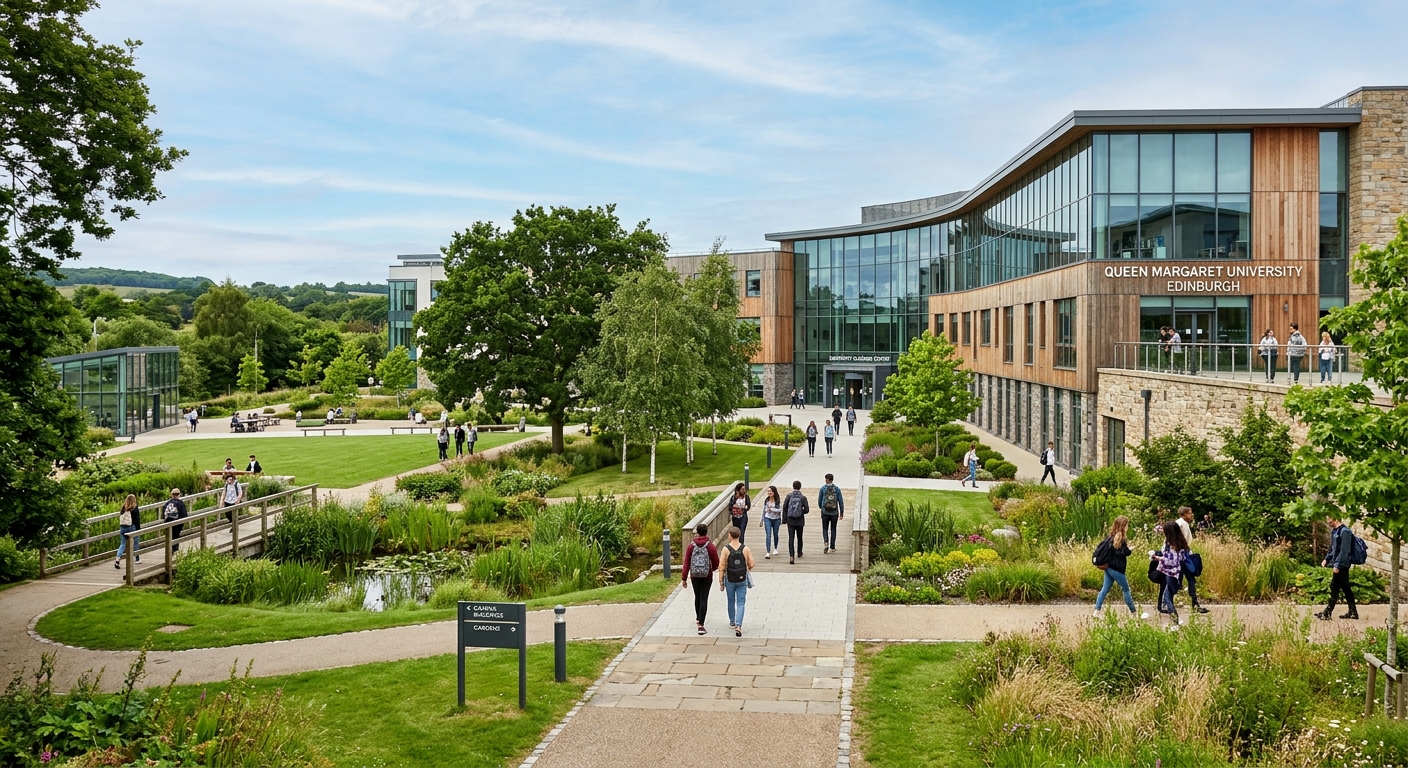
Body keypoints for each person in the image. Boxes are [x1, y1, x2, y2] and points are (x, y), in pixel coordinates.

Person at [1092, 516, 1145, 618]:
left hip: (1108, 567)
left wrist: (1126, 549)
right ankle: (1134, 613)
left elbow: (1116, 551)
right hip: (1117, 569)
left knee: (1105, 589)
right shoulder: (1121, 537)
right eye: (1126, 525)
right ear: (1123, 526)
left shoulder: (1110, 537)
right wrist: (1130, 549)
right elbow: (1124, 553)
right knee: (1126, 589)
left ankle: (1096, 611)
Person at [682, 523, 718, 635]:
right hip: (707, 576)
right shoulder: (710, 546)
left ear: (697, 532)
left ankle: (698, 617)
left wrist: (684, 578)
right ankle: (701, 624)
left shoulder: (691, 546)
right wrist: (711, 569)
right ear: (706, 532)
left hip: (694, 576)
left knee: (697, 596)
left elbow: (686, 562)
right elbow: (716, 561)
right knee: (704, 598)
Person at [1153, 520, 1190, 630]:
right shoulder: (1181, 542)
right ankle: (1174, 621)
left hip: (1171, 574)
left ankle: (1175, 621)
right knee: (1168, 596)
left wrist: (1157, 557)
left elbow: (1171, 561)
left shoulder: (1169, 545)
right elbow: (1183, 558)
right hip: (1178, 573)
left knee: (1167, 598)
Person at [1319, 517, 1358, 620]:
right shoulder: (1335, 531)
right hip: (1338, 563)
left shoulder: (1345, 531)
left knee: (1335, 586)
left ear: (1335, 518)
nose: (1327, 521)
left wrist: (1337, 565)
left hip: (1342, 564)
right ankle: (1353, 612)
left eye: (1329, 519)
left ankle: (1327, 612)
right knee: (1345, 587)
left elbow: (1345, 550)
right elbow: (1333, 548)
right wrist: (1326, 559)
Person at [719, 525, 754, 637]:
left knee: (731, 600)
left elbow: (722, 566)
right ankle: (739, 625)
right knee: (741, 602)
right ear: (739, 536)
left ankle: (732, 621)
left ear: (729, 536)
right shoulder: (745, 549)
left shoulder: (725, 550)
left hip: (729, 578)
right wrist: (746, 568)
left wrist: (721, 582)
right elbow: (752, 564)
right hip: (741, 578)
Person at [1175, 506, 1208, 614]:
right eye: (1190, 513)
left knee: (1179, 579)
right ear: (1184, 514)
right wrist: (1184, 549)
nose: (1192, 515)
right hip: (1183, 554)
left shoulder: (1178, 523)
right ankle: (1194, 604)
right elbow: (1182, 539)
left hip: (1179, 553)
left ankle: (1167, 601)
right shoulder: (1182, 524)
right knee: (1190, 579)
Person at [783, 479, 809, 564]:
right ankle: (799, 552)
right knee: (799, 537)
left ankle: (791, 556)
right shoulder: (803, 497)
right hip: (800, 520)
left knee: (791, 538)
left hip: (790, 520)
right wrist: (801, 511)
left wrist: (784, 519)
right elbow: (807, 510)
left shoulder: (789, 496)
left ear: (793, 487)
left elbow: (785, 508)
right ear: (800, 487)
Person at [818, 473, 844, 554]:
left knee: (825, 529)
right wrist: (842, 511)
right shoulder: (837, 489)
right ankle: (832, 546)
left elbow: (819, 500)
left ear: (827, 479)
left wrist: (821, 507)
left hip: (825, 512)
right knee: (833, 529)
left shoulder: (823, 489)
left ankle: (826, 543)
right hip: (834, 512)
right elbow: (840, 501)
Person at [115, 494, 141, 568]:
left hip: (122, 528)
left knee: (122, 544)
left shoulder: (123, 508)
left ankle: (117, 560)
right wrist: (138, 529)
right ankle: (137, 559)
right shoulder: (135, 508)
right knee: (135, 543)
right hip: (131, 527)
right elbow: (137, 520)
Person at [761, 485, 782, 559]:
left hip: (776, 519)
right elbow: (764, 510)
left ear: (774, 492)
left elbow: (780, 510)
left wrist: (773, 509)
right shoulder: (766, 500)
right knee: (768, 534)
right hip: (768, 518)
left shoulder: (777, 500)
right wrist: (762, 520)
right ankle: (768, 551)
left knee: (775, 534)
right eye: (768, 491)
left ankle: (775, 548)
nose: (769, 492)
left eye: (770, 491)